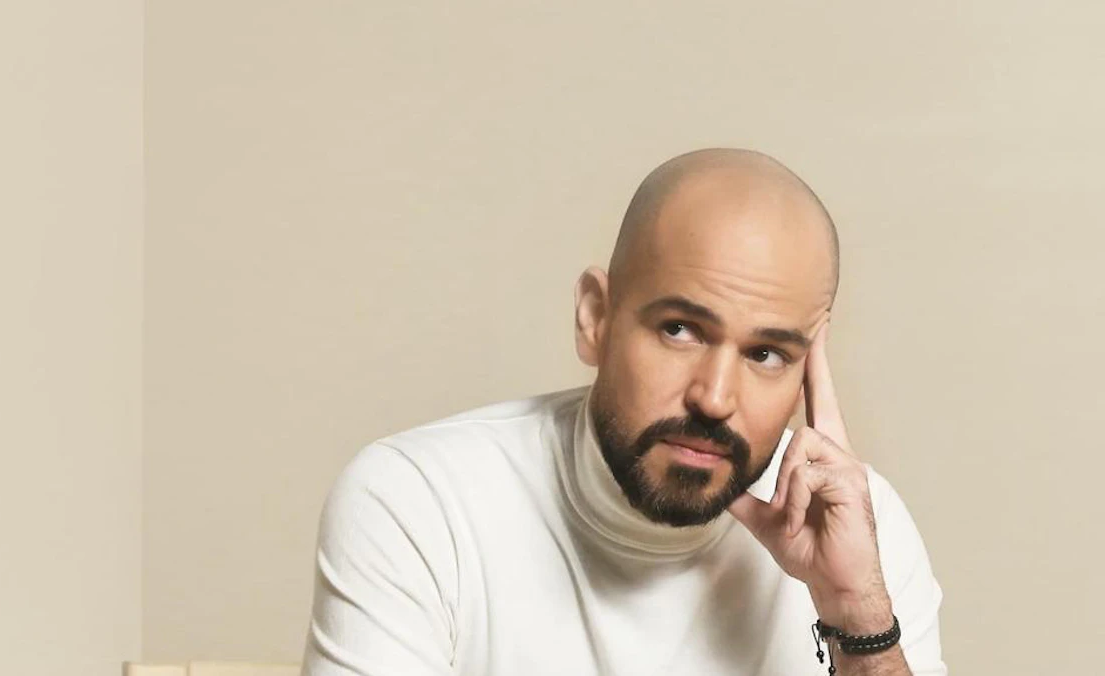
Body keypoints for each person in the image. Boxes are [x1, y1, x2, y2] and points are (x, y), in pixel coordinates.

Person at [302, 149, 945, 675]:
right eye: (680, 329)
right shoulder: (421, 503)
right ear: (596, 318)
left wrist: (855, 613)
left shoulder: (860, 533)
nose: (715, 398)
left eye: (766, 354)